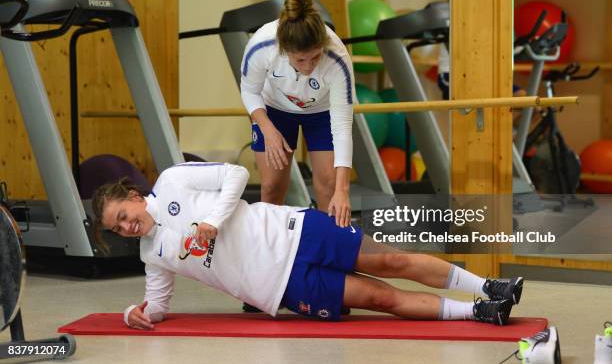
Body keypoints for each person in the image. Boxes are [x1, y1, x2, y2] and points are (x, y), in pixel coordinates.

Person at [92, 162, 524, 329]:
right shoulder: (153, 255)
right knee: (379, 297)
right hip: (283, 287)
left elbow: (238, 175)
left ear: (133, 197)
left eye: (123, 216)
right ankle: (479, 311)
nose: (127, 227)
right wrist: (137, 313)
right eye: (117, 228)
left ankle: (489, 286)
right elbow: (159, 304)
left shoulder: (172, 180)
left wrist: (212, 220)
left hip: (295, 233)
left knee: (390, 259)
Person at [240, 0, 354, 226]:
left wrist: (342, 190)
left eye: (315, 57)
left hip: (321, 112)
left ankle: (327, 254)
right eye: (300, 60)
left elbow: (342, 127)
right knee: (271, 186)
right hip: (274, 109)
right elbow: (250, 91)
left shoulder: (337, 57)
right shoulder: (262, 46)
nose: (309, 66)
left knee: (329, 187)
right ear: (283, 49)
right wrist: (267, 129)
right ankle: (268, 254)